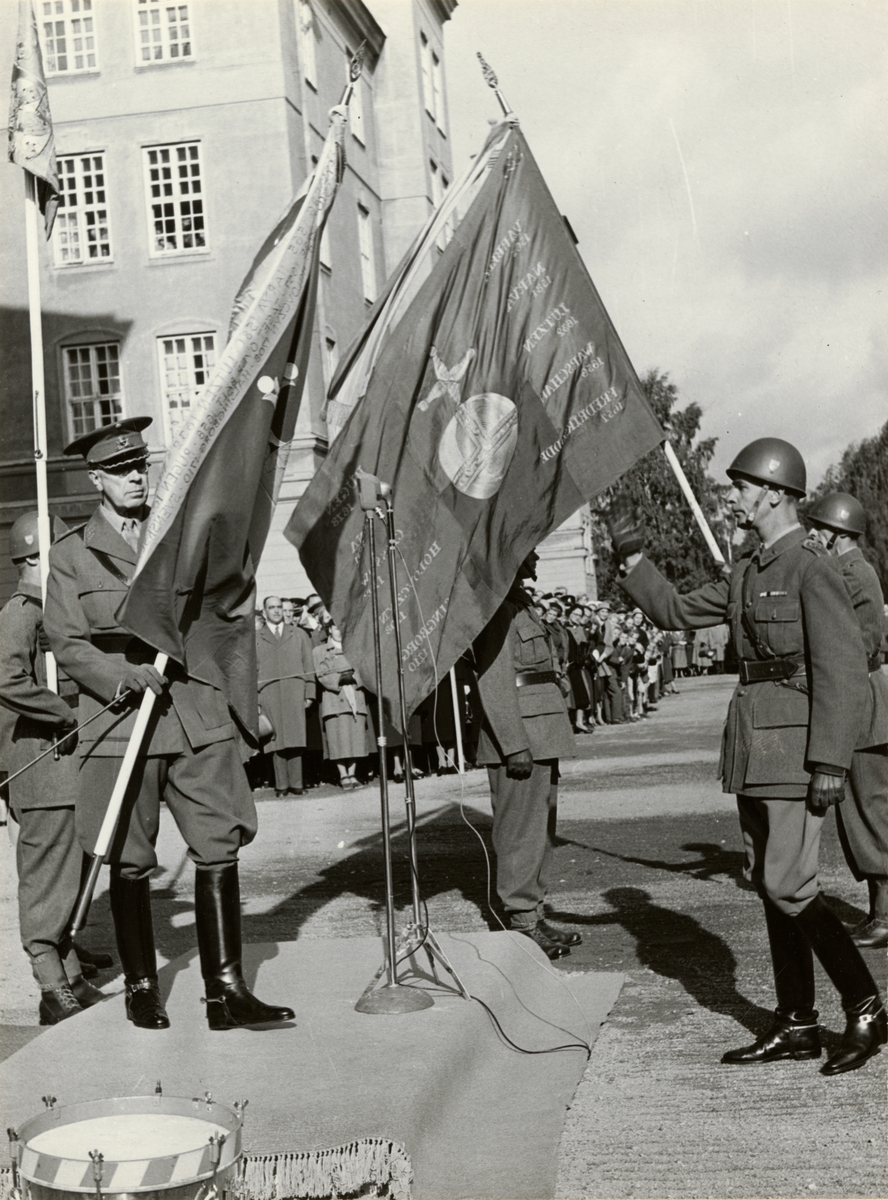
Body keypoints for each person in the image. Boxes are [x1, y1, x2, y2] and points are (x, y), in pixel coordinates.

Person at [609, 437, 886, 1075]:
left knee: (790, 884)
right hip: (754, 749)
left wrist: (832, 763)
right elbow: (676, 611)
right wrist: (632, 558)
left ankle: (867, 1007)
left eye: (742, 487)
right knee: (770, 886)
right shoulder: (748, 569)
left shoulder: (812, 565)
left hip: (797, 751)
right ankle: (797, 1021)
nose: (734, 496)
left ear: (775, 493)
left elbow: (841, 669)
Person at [44, 418, 294, 1032]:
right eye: (121, 471)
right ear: (97, 480)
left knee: (219, 846)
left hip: (193, 714)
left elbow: (223, 609)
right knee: (128, 860)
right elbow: (67, 641)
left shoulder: (181, 536)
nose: (135, 478)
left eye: (141, 467)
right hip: (121, 725)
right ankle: (140, 986)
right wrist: (117, 677)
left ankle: (225, 992)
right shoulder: (73, 554)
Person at [0, 512, 107, 1024]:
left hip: (63, 763)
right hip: (40, 765)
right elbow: (4, 677)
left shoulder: (54, 607)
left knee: (69, 872)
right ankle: (50, 984)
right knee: (47, 877)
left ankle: (70, 974)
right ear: (38, 558)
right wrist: (63, 711)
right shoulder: (24, 610)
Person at [472, 549, 579, 959]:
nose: (536, 558)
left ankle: (532, 911)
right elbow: (494, 679)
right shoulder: (497, 607)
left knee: (539, 831)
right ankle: (519, 919)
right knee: (519, 832)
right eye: (529, 551)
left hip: (540, 731)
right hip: (519, 738)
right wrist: (514, 743)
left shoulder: (521, 604)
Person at [807, 492, 888, 948]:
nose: (812, 536)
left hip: (864, 704)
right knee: (862, 812)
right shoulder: (852, 570)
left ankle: (886, 915)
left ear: (835, 533)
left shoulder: (852, 574)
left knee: (872, 811)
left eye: (818, 529)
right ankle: (880, 911)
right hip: (863, 701)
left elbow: (858, 643)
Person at [256, 595, 316, 796]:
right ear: (264, 612)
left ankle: (297, 783)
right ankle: (281, 785)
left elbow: (309, 665)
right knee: (275, 741)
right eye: (271, 607)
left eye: (279, 607)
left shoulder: (299, 634)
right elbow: (250, 672)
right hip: (268, 694)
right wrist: (255, 700)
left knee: (296, 738)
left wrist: (310, 692)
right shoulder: (255, 638)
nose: (276, 611)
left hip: (294, 691)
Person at [312, 624, 372, 788]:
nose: (340, 631)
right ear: (330, 629)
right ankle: (342, 775)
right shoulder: (320, 651)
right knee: (337, 739)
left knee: (355, 737)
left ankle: (352, 774)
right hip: (334, 698)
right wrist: (339, 679)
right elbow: (321, 674)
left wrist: (355, 677)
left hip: (355, 696)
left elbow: (366, 669)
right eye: (337, 628)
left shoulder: (355, 647)